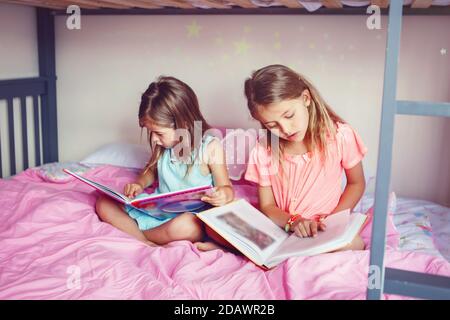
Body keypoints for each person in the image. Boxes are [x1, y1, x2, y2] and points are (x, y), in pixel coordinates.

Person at [95, 76, 234, 246]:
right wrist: (139, 184)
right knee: (103, 202)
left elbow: (226, 188)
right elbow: (150, 171)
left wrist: (223, 195)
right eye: (150, 132)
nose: (153, 139)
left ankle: (137, 234)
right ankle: (145, 239)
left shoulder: (210, 148)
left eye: (159, 133)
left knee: (188, 227)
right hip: (157, 211)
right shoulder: (163, 147)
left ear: (183, 123)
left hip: (188, 217)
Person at [244, 65, 367, 251]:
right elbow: (267, 206)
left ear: (306, 98)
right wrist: (293, 222)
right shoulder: (264, 151)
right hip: (284, 228)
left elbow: (356, 183)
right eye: (272, 124)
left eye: (289, 115)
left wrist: (332, 220)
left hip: (324, 228)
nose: (285, 129)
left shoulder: (340, 136)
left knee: (353, 244)